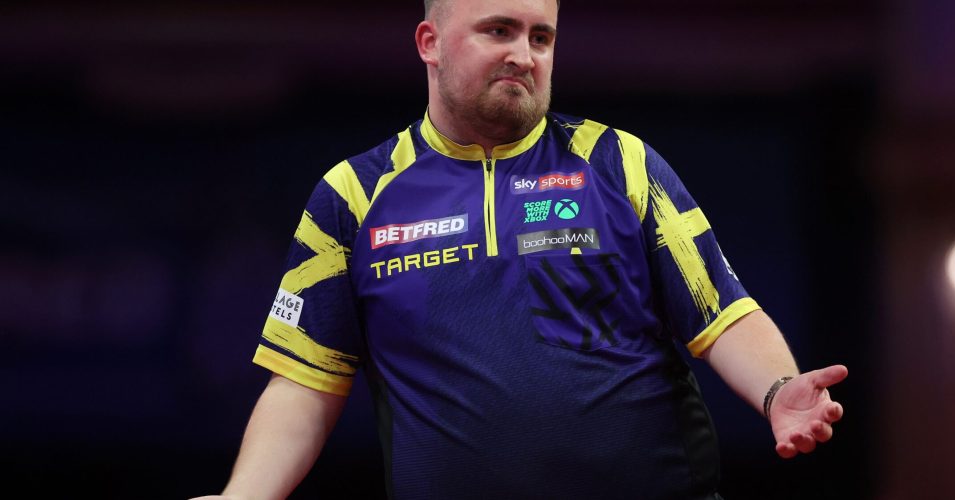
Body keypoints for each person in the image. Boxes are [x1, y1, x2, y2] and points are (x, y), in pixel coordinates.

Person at [199, 0, 847, 498]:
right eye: (499, 30)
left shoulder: (619, 163)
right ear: (430, 43)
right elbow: (305, 383)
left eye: (542, 37)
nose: (525, 54)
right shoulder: (352, 196)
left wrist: (777, 389)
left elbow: (722, 313)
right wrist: (244, 494)